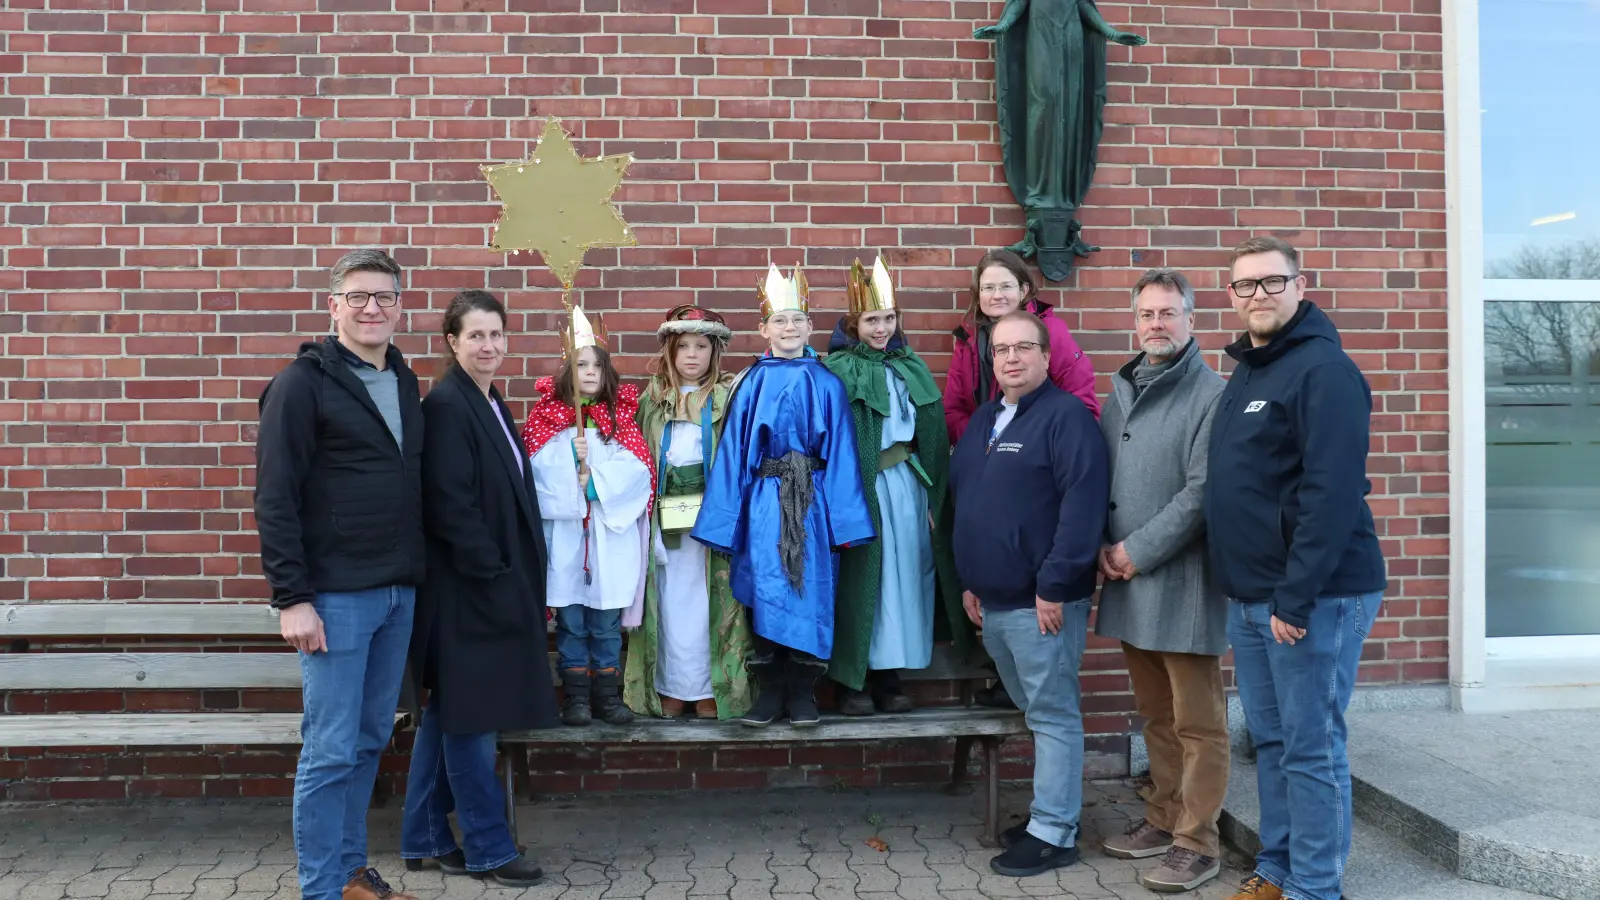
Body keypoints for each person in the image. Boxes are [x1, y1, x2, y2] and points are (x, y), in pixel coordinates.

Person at [1206, 237, 1387, 900]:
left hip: (1314, 597)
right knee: (1274, 745)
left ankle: (1316, 886)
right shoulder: (1253, 369)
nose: (1258, 294)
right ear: (1231, 295)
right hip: (1252, 597)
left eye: (1271, 282)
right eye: (1245, 285)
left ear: (1299, 284)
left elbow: (1332, 492)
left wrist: (1296, 597)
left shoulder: (1323, 370)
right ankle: (1277, 868)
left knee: (1311, 749)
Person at [255, 249, 423, 900]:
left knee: (368, 739)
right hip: (334, 598)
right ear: (333, 306)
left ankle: (351, 875)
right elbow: (275, 495)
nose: (372, 308)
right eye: (358, 297)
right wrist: (292, 597)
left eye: (384, 296)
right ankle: (322, 890)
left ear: (399, 307)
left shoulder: (404, 380)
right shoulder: (302, 384)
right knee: (329, 749)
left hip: (396, 592)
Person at [398, 291, 553, 887]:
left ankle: (424, 836)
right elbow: (450, 507)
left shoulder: (488, 401)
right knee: (472, 720)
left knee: (449, 716)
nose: (488, 346)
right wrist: (493, 572)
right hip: (468, 591)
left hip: (488, 585)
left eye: (496, 335)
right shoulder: (447, 408)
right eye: (475, 337)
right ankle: (489, 848)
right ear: (451, 342)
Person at [949, 309, 1108, 878]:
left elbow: (1082, 509)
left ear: (1046, 355)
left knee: (1053, 714)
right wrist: (972, 579)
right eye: (1001, 350)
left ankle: (1054, 833)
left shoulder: (1066, 419)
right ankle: (1052, 816)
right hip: (992, 602)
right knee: (1037, 712)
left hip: (1041, 603)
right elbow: (971, 501)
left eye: (1023, 348)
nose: (1011, 358)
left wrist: (1055, 586)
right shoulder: (989, 418)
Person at [692, 264, 876, 728]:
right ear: (763, 329)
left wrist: (846, 523)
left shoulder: (828, 383)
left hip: (811, 504)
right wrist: (724, 521)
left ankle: (803, 692)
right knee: (768, 587)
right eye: (780, 320)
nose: (789, 328)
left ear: (810, 327)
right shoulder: (750, 383)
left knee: (810, 591)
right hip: (765, 503)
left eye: (797, 320)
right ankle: (770, 691)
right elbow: (733, 453)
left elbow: (841, 456)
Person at [1094, 269, 1228, 893]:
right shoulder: (1120, 392)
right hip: (1125, 577)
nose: (1157, 324)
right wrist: (1103, 546)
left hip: (1180, 581)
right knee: (1154, 716)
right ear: (1135, 321)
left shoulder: (1211, 394)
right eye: (1147, 313)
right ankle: (1163, 817)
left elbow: (1204, 492)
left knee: (1198, 722)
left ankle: (1198, 841)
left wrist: (1136, 550)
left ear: (1191, 320)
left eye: (1169, 313)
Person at [823, 257, 970, 715]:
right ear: (854, 322)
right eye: (871, 319)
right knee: (865, 579)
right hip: (861, 490)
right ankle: (855, 679)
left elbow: (930, 436)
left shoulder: (912, 366)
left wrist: (934, 498)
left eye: (889, 318)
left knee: (905, 580)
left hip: (906, 488)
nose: (882, 328)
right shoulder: (839, 369)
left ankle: (891, 677)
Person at [523, 306, 655, 728]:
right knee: (572, 622)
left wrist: (594, 481)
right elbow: (533, 473)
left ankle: (607, 696)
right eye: (581, 363)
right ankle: (576, 698)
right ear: (566, 370)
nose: (591, 371)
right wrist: (567, 461)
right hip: (567, 538)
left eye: (597, 364)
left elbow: (640, 473)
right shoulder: (547, 421)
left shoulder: (621, 420)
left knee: (604, 624)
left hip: (608, 538)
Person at [623, 305, 754, 720]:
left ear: (715, 352)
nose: (692, 356)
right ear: (670, 352)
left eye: (701, 346)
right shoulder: (652, 400)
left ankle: (709, 688)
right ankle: (671, 687)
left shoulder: (726, 399)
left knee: (708, 602)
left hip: (712, 518)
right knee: (670, 601)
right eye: (684, 347)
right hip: (665, 519)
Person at [945, 248, 1100, 446]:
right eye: (988, 287)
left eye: (1006, 286)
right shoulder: (968, 341)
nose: (997, 295)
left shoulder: (1050, 332)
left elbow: (1081, 403)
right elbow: (952, 409)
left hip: (1041, 451)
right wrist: (983, 440)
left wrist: (1029, 445)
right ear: (978, 293)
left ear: (1023, 290)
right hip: (983, 453)